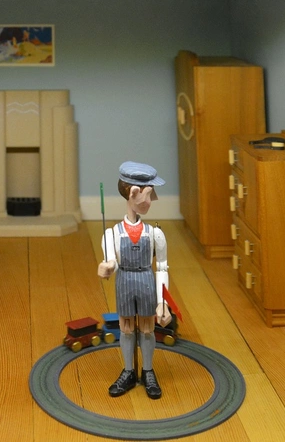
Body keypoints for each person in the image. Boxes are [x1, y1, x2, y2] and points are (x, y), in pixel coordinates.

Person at [98, 161, 172, 399]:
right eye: (148, 194)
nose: (151, 200)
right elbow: (111, 261)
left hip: (146, 281)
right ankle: (129, 370)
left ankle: (148, 370)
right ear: (132, 193)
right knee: (127, 328)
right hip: (125, 283)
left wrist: (163, 301)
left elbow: (162, 267)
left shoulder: (155, 234)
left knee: (148, 329)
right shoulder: (111, 234)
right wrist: (107, 267)